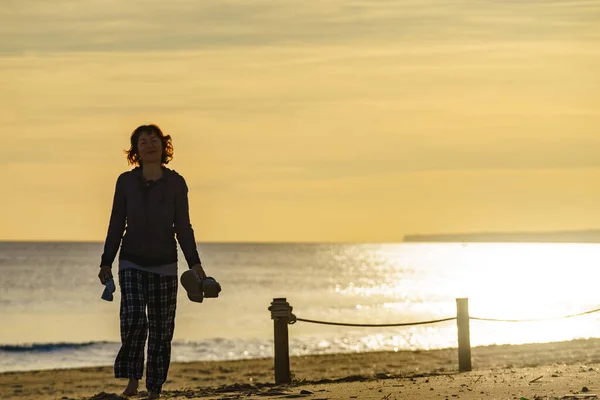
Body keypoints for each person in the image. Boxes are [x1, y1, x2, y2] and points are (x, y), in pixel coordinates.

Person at [98, 124, 206, 399]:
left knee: (161, 329)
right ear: (135, 150)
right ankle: (133, 380)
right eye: (142, 141)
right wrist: (105, 262)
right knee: (133, 318)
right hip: (131, 261)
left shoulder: (176, 183)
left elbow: (183, 227)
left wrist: (195, 264)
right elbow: (115, 224)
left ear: (164, 145)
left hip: (166, 265)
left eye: (154, 139)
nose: (149, 144)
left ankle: (154, 389)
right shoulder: (125, 182)